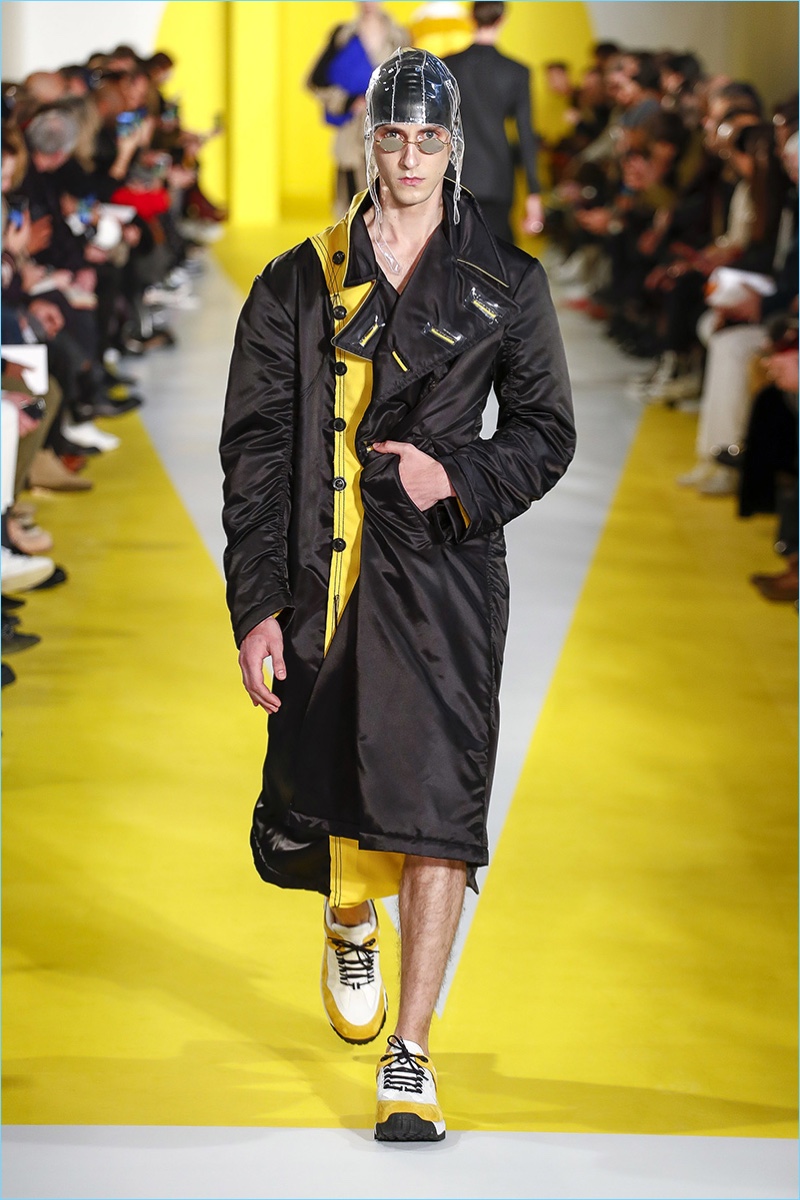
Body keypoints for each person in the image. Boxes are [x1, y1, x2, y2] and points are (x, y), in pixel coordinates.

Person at [220, 47, 574, 1143]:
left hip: (443, 576)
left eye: (428, 139)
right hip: (319, 573)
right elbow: (256, 452)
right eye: (392, 136)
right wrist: (256, 606)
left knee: (437, 805)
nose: (409, 158)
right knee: (324, 780)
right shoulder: (296, 281)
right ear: (366, 142)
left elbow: (546, 431)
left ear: (452, 145)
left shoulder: (506, 281)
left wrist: (454, 476)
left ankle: (412, 1051)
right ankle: (346, 915)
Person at [443, 1, 543, 242]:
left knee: (453, 251)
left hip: (453, 174)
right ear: (502, 19)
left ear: (471, 17)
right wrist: (534, 193)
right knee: (496, 255)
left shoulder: (447, 66)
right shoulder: (516, 71)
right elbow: (525, 134)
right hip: (497, 177)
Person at [307, 1, 408, 217]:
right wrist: (347, 101)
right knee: (350, 205)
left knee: (389, 202)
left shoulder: (400, 36)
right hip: (351, 134)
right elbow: (316, 81)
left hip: (388, 130)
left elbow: (410, 85)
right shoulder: (342, 36)